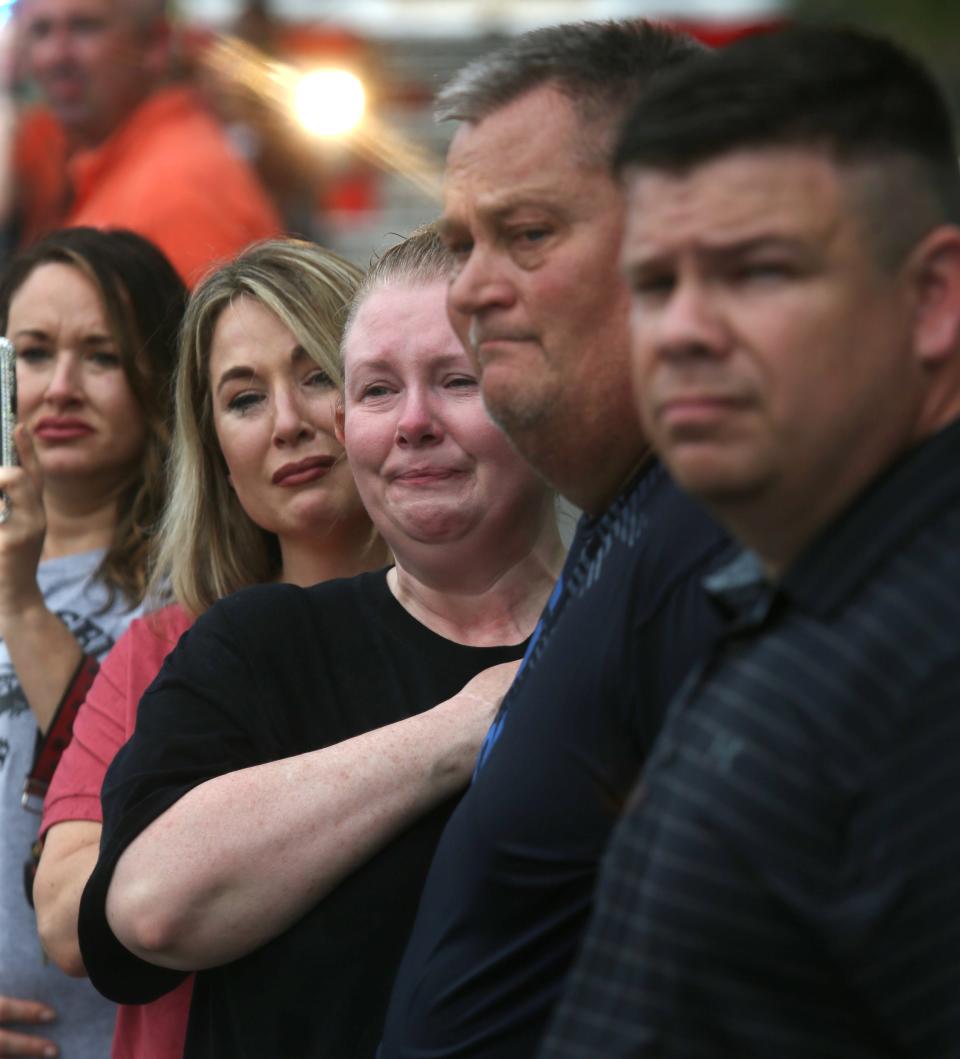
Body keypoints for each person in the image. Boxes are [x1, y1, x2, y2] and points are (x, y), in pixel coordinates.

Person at [542, 24, 960, 1059]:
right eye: (654, 284)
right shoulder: (806, 597)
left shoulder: (933, 675)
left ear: (933, 300)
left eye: (757, 271)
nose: (682, 329)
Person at [75, 226, 565, 1058]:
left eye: (457, 379)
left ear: (542, 395)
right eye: (378, 391)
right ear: (353, 425)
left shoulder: (647, 624)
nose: (413, 421)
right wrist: (462, 726)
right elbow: (146, 907)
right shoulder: (255, 641)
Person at [379, 21, 731, 1059]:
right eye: (458, 244)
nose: (472, 289)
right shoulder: (641, 522)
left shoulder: (723, 542)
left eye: (527, 233)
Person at [31, 237, 388, 1059]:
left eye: (315, 372)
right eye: (244, 398)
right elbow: (66, 920)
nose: (290, 423)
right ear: (217, 454)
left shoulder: (476, 620)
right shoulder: (159, 648)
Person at [0, 227, 186, 1057]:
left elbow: (129, 792)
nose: (60, 387)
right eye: (34, 353)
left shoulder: (194, 586)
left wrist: (21, 604)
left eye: (102, 356)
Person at [12, 0, 282, 283]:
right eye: (41, 30)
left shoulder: (179, 189)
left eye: (84, 27)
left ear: (156, 42)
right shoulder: (108, 157)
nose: (55, 56)